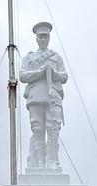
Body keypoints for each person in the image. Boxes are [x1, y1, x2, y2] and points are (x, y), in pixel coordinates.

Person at [20, 21, 67, 170]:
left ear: (49, 38)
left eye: (45, 37)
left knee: (53, 129)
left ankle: (52, 161)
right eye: (40, 37)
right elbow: (22, 76)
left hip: (53, 96)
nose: (43, 40)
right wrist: (39, 72)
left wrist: (54, 73)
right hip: (35, 96)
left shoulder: (56, 57)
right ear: (36, 39)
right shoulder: (29, 58)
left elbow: (64, 76)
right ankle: (40, 162)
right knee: (37, 129)